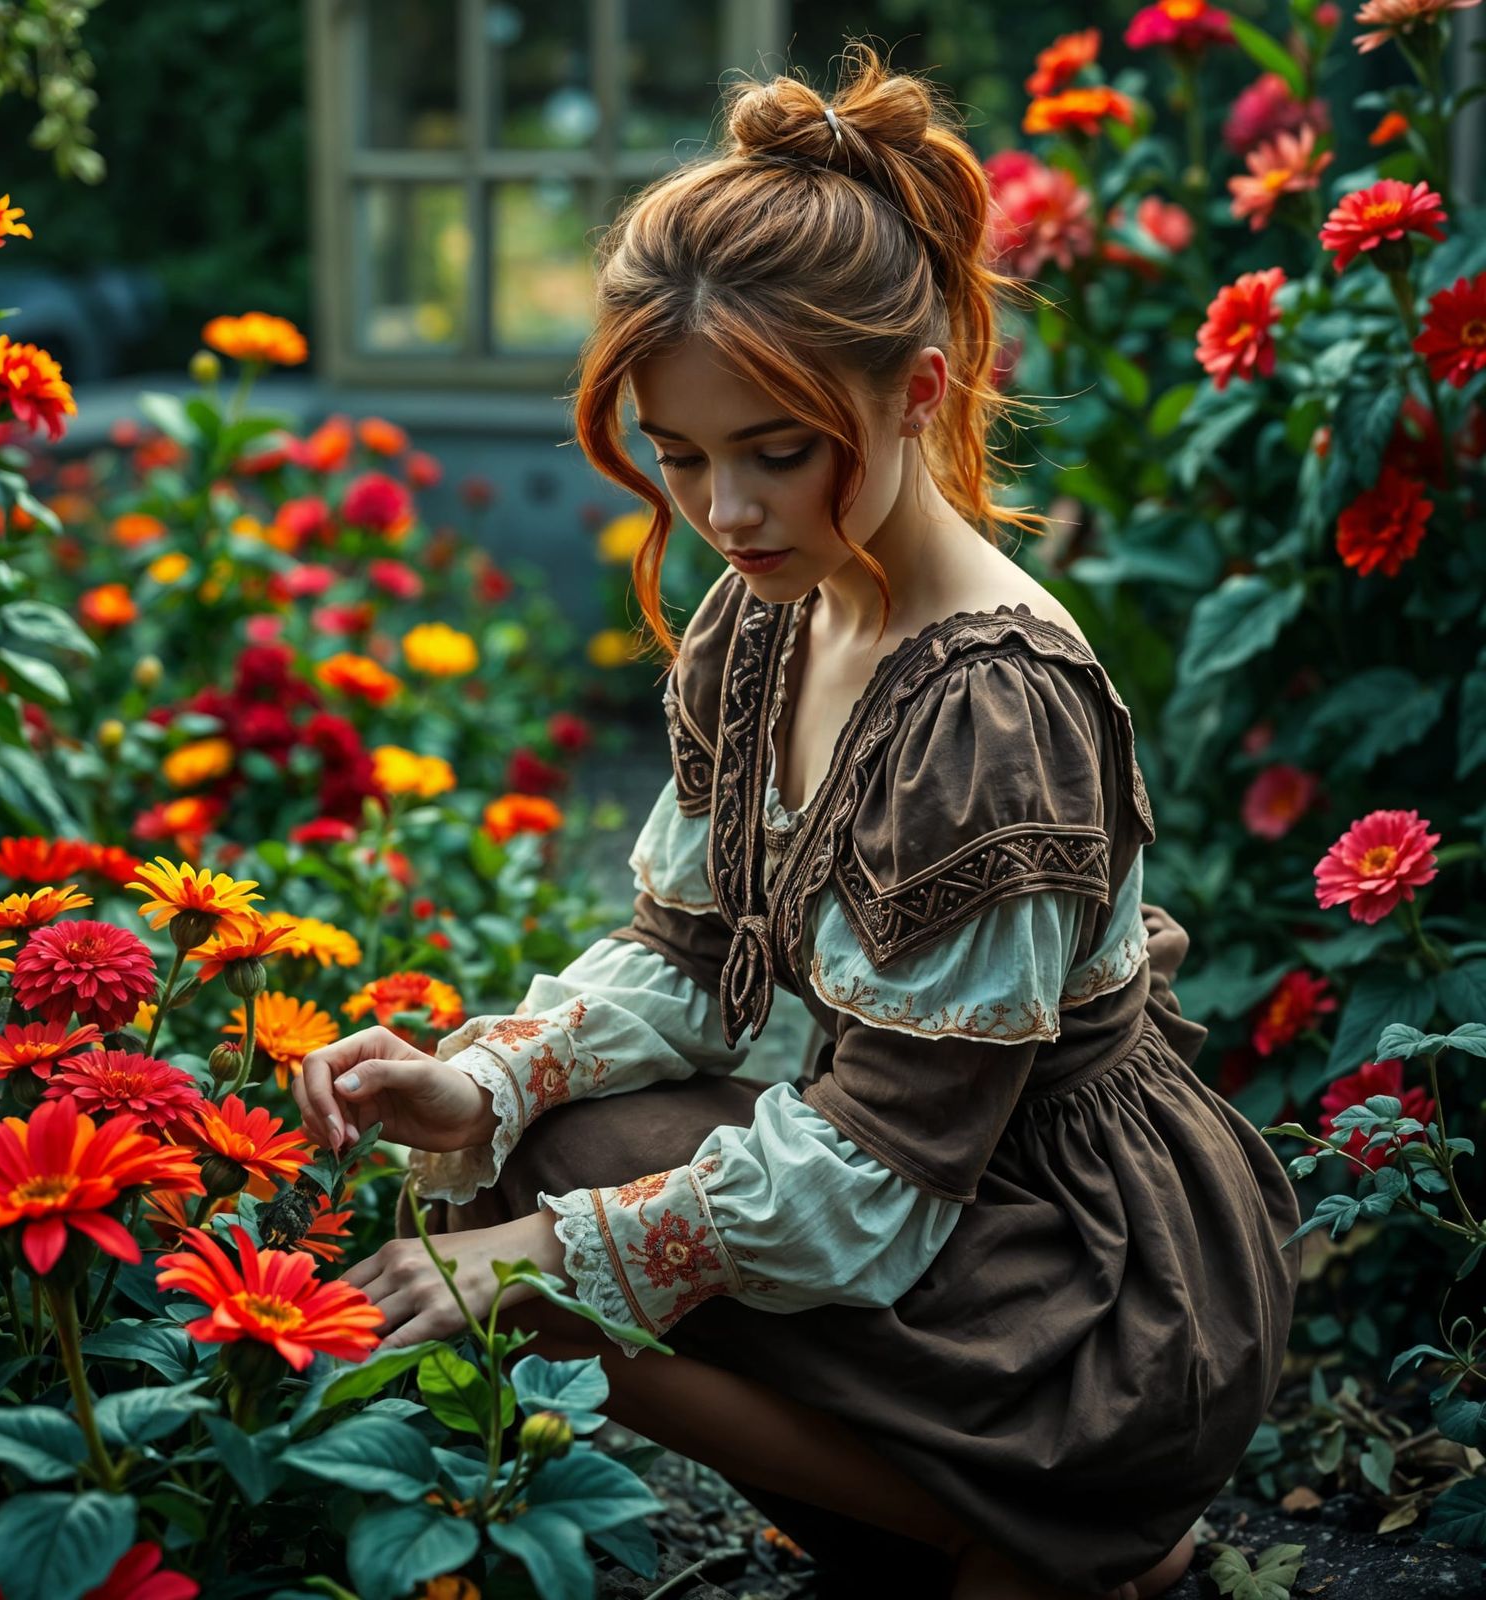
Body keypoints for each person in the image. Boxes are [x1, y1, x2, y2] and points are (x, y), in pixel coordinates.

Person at [292, 39, 1302, 1600]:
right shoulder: (769, 614)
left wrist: (547, 1258)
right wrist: (479, 1074)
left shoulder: (990, 709)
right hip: (947, 1214)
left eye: (776, 453)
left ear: (919, 392)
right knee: (520, 1160)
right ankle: (921, 1519)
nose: (728, 514)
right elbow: (691, 956)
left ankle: (1069, 1536)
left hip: (1090, 1291)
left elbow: (884, 1168)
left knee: (540, 1255)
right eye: (681, 458)